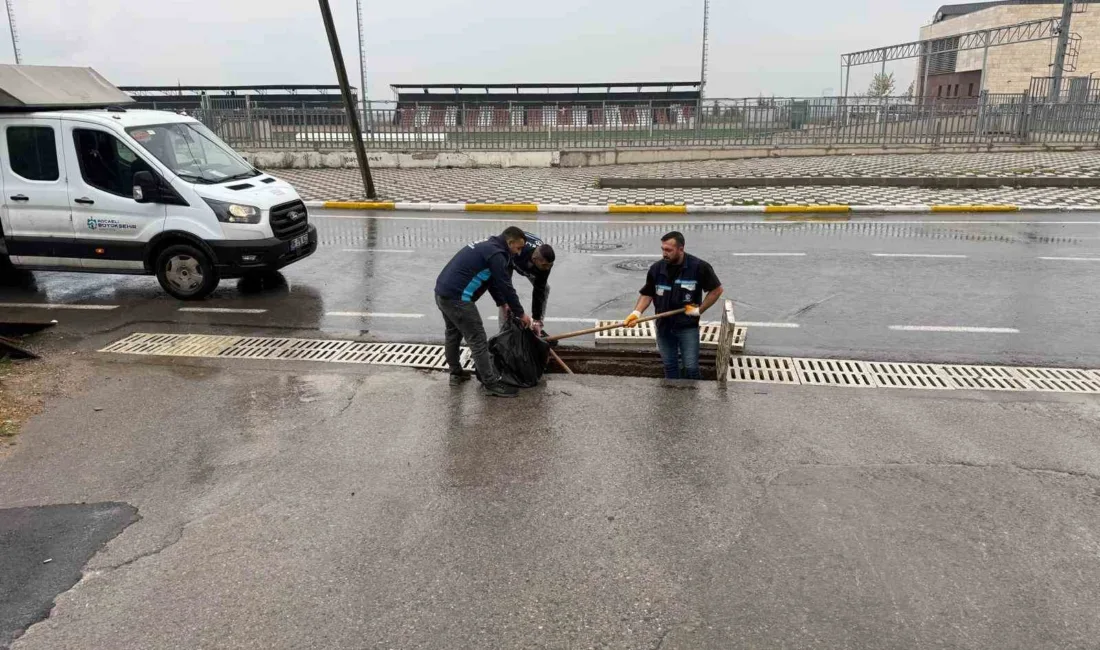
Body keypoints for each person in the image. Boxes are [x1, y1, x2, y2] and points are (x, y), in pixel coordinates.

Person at [435, 227, 532, 398]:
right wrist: (520, 313)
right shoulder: (497, 255)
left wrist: (502, 303)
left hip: (442, 293)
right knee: (478, 339)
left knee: (453, 333)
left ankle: (455, 374)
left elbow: (492, 280)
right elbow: (505, 286)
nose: (519, 253)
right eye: (518, 248)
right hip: (458, 299)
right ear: (509, 243)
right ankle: (491, 383)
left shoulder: (490, 246)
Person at [624, 231, 723, 380]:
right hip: (664, 326)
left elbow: (716, 290)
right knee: (670, 367)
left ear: (681, 249)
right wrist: (636, 313)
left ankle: (693, 400)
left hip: (687, 327)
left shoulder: (698, 267)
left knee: (691, 368)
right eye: (663, 249)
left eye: (669, 250)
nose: (665, 253)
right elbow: (648, 293)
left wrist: (699, 310)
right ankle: (673, 400)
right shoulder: (657, 269)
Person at [498, 232, 555, 336]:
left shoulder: (545, 264)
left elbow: (539, 290)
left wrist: (537, 318)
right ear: (535, 260)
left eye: (550, 265)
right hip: (508, 261)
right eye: (545, 265)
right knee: (505, 295)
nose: (547, 268)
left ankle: (537, 325)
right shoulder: (516, 250)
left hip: (528, 266)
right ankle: (503, 333)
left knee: (545, 288)